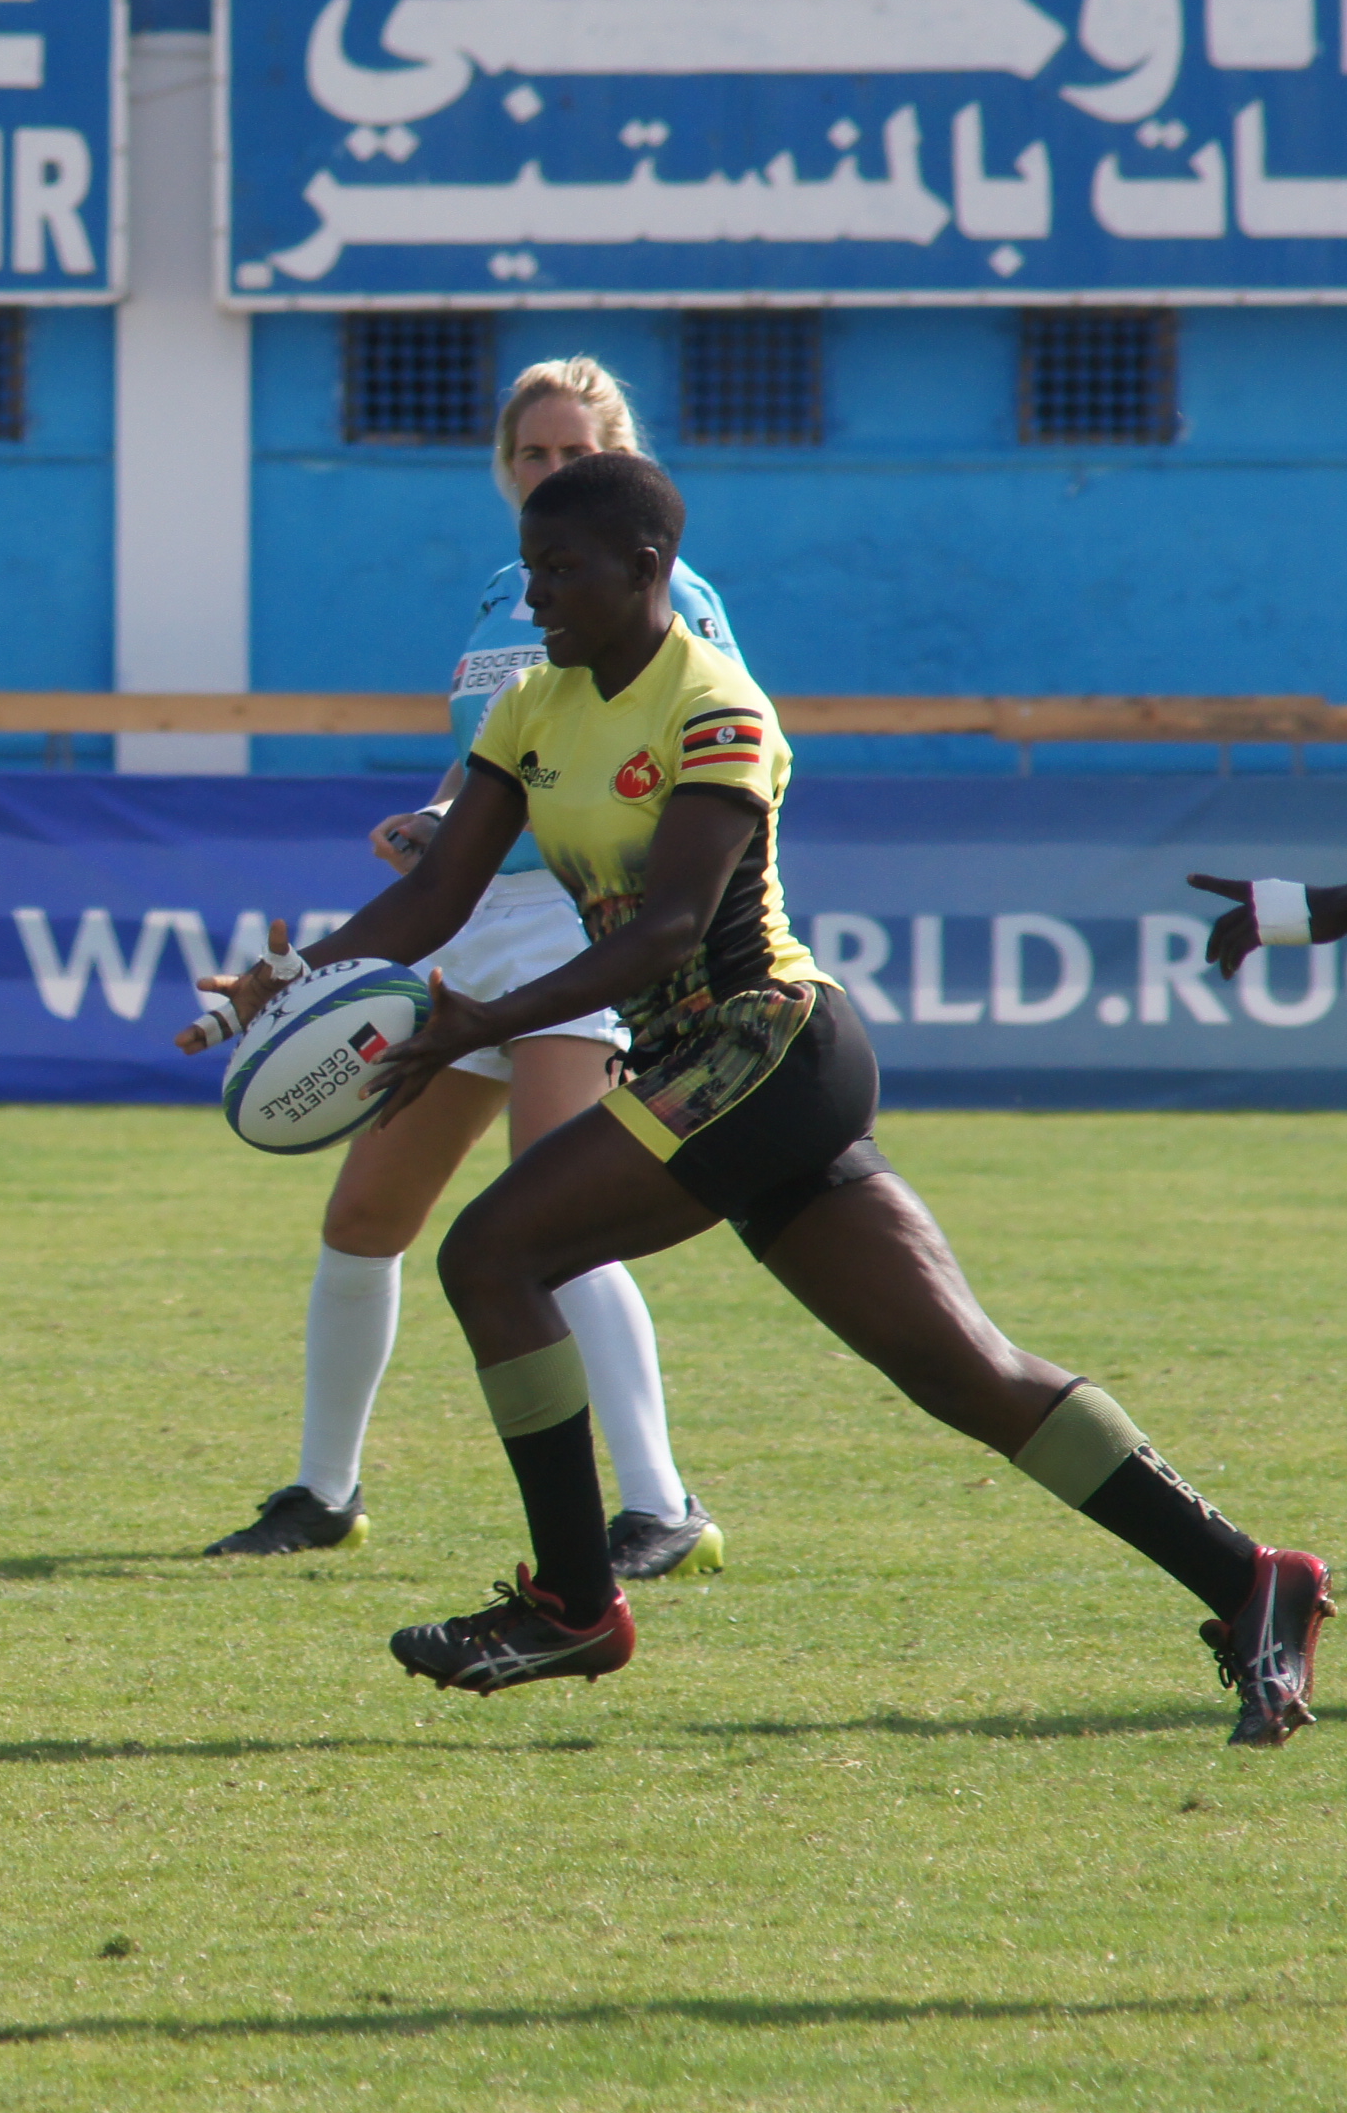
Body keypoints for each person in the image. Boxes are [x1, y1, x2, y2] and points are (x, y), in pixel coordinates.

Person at [182, 453, 1329, 1748]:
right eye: (531, 568)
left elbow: (672, 925)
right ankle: (1253, 1580)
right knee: (962, 1368)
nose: (536, 596)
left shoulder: (716, 705)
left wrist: (487, 1021)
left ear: (646, 569)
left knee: (492, 1255)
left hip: (770, 1047)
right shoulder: (530, 708)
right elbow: (437, 895)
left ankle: (573, 1604)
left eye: (562, 570)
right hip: (703, 1071)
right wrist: (289, 976)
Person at [203, 357, 727, 1586]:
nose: (550, 470)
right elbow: (498, 757)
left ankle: (661, 1504)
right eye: (532, 453)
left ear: (621, 458)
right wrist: (438, 818)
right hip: (468, 923)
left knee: (558, 1213)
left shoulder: (675, 593)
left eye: (574, 452)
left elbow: (676, 761)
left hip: (574, 924)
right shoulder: (509, 592)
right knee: (364, 1218)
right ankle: (323, 1492)